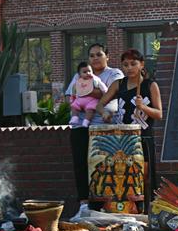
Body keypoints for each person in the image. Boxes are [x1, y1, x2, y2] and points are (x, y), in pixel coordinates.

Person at [96, 48, 163, 212]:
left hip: (143, 137)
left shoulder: (150, 85)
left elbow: (159, 114)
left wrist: (143, 107)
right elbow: (99, 104)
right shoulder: (119, 84)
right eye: (125, 65)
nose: (129, 68)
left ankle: (148, 210)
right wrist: (104, 113)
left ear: (141, 64)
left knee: (144, 176)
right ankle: (128, 208)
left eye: (133, 64)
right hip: (123, 139)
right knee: (125, 176)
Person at [66, 44, 124, 217]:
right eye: (91, 56)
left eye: (99, 54)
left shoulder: (114, 74)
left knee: (105, 165)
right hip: (81, 127)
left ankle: (107, 205)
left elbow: (111, 93)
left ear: (107, 55)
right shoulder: (80, 72)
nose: (95, 58)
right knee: (81, 164)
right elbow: (72, 95)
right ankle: (84, 205)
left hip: (104, 127)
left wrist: (88, 91)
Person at [69, 61, 108, 128]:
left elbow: (101, 85)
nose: (88, 73)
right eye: (84, 72)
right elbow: (74, 89)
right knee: (74, 107)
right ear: (79, 74)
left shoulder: (94, 79)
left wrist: (105, 92)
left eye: (89, 71)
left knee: (90, 110)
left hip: (91, 101)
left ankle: (86, 121)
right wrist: (73, 97)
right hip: (80, 100)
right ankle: (75, 117)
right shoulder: (78, 81)